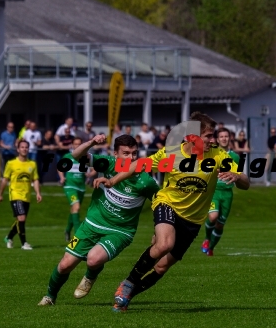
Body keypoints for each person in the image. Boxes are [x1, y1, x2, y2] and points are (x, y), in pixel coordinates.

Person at [95, 111, 250, 312]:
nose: (213, 140)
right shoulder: (172, 153)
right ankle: (129, 282)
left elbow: (246, 182)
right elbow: (138, 166)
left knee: (161, 267)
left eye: (213, 135)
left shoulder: (219, 155)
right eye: (209, 136)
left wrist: (238, 177)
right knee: (164, 244)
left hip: (193, 220)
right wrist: (113, 180)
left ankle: (127, 296)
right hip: (167, 203)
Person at [37, 134, 160, 306]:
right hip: (91, 224)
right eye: (126, 153)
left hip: (120, 231)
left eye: (134, 153)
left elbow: (160, 204)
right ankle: (50, 297)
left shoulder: (146, 181)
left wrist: (158, 230)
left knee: (93, 259)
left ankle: (90, 276)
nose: (131, 157)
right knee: (65, 265)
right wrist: (92, 142)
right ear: (115, 154)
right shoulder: (107, 163)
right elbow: (76, 156)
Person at [201, 127, 240, 256]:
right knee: (213, 216)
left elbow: (238, 175)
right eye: (221, 136)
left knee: (220, 225)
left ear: (230, 138)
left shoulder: (235, 157)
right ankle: (207, 239)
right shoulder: (212, 154)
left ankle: (211, 248)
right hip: (214, 191)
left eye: (226, 136)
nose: (224, 138)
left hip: (227, 193)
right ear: (217, 139)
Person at [0, 140, 42, 250]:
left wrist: (38, 193)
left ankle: (9, 237)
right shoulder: (11, 164)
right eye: (22, 147)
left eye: (26, 147)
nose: (24, 149)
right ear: (18, 149)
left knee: (21, 221)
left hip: (26, 196)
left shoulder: (32, 164)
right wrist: (0, 194)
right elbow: (4, 180)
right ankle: (24, 244)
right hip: (15, 195)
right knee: (21, 218)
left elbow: (35, 180)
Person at [58, 137, 92, 242]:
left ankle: (67, 230)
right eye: (75, 144)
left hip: (81, 188)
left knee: (74, 210)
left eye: (79, 144)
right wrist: (62, 177)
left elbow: (93, 170)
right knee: (76, 207)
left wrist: (90, 175)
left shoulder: (85, 158)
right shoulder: (68, 156)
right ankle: (78, 237)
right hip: (70, 187)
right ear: (72, 145)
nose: (77, 146)